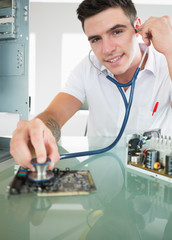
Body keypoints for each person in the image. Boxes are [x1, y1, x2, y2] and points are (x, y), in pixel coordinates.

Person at [10, 0, 172, 171]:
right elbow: (54, 115)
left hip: (151, 182)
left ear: (137, 27)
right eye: (96, 39)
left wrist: (170, 49)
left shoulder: (166, 64)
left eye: (117, 32)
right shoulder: (86, 69)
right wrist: (40, 131)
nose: (107, 49)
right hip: (100, 182)